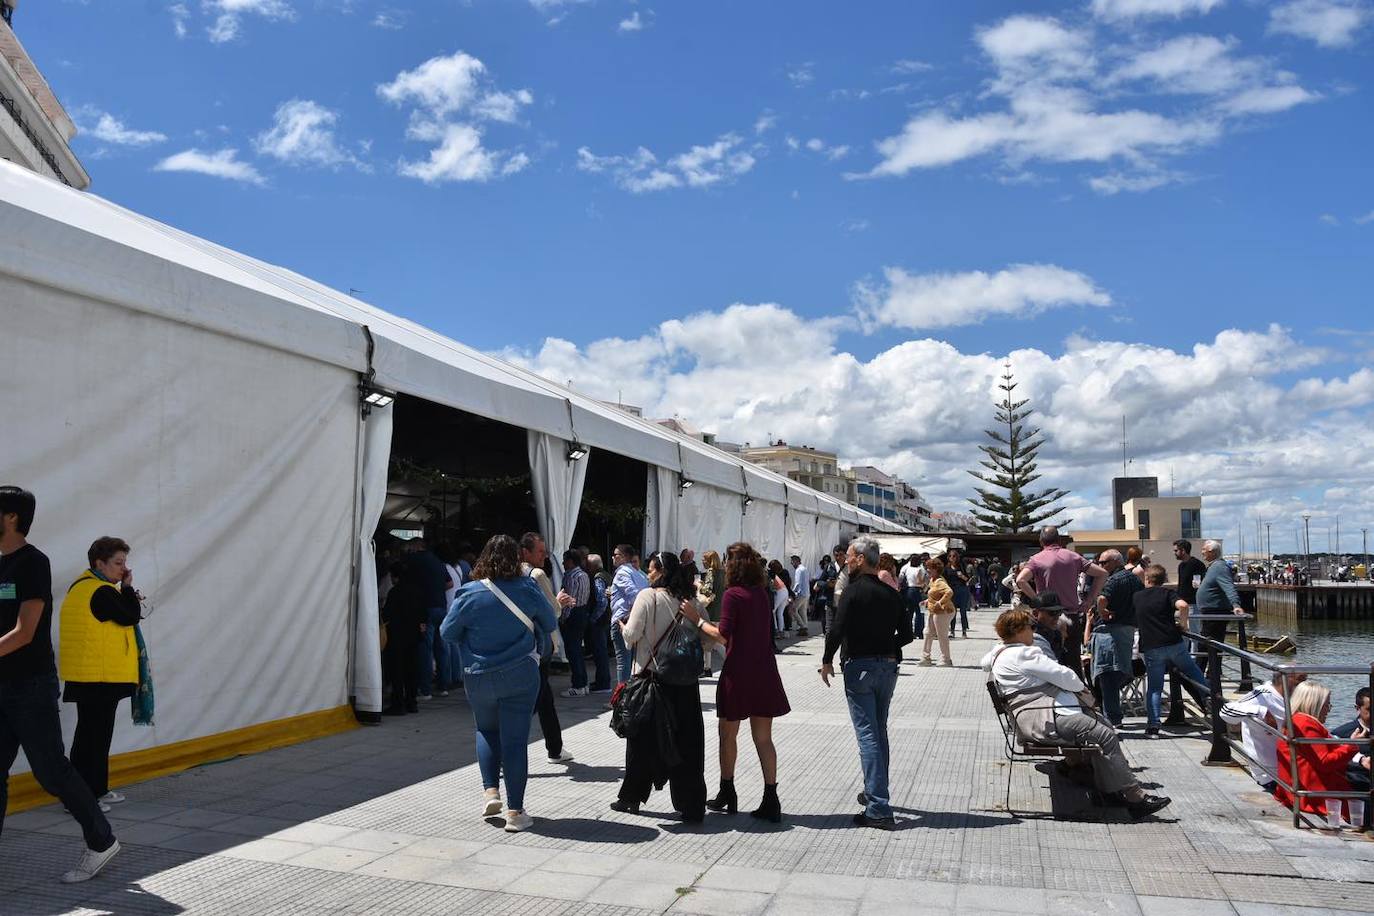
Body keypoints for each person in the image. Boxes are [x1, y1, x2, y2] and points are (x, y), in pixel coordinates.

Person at [0, 486, 121, 882]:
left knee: (51, 772)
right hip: (2, 685)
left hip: (30, 686)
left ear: (12, 517)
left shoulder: (33, 563)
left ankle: (102, 841)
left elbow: (24, 631)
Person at [982, 608, 1171, 820]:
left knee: (1104, 727)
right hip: (1045, 719)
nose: (1033, 632)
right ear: (1018, 630)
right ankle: (1135, 797)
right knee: (1105, 735)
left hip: (1030, 719)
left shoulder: (998, 653)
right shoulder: (1023, 654)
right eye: (1030, 627)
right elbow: (1069, 678)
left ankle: (1111, 792)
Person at [441, 534, 558, 832]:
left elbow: (447, 633)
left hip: (479, 674)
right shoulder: (528, 588)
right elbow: (550, 623)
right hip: (520, 674)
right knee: (515, 742)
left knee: (486, 729)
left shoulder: (468, 592)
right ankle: (515, 813)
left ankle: (490, 792)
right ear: (517, 557)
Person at [683, 542, 790, 822]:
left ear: (734, 565)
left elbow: (724, 635)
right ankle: (771, 797)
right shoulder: (761, 594)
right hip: (765, 670)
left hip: (739, 673)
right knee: (764, 738)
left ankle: (727, 791)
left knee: (727, 734)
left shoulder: (733, 595)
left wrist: (697, 620)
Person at [820, 535, 912, 829]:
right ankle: (876, 792)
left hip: (859, 666)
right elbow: (908, 634)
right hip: (887, 666)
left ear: (861, 558)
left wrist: (826, 660)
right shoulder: (891, 593)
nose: (846, 561)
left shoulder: (852, 592)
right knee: (879, 731)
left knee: (868, 735)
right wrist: (889, 645)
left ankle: (878, 807)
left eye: (849, 556)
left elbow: (837, 629)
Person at [612, 551, 708, 822]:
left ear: (662, 572)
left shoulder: (648, 596)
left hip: (652, 681)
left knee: (641, 742)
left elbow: (631, 636)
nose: (648, 574)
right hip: (686, 683)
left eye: (651, 570)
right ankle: (691, 805)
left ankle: (631, 797)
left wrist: (621, 626)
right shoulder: (691, 601)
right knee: (688, 743)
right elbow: (708, 638)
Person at [57, 537, 142, 807]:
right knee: (91, 738)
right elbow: (130, 615)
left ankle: (96, 789)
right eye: (118, 563)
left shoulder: (83, 587)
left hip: (92, 674)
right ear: (99, 563)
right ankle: (81, 799)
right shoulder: (101, 591)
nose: (123, 569)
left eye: (125, 563)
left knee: (94, 734)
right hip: (98, 676)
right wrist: (127, 589)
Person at [1273, 682, 1370, 827]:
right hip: (1316, 795)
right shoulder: (1306, 724)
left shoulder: (1297, 721)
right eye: (1327, 705)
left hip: (1305, 787)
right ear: (1315, 704)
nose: (1328, 710)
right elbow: (1324, 762)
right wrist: (1352, 745)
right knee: (1367, 806)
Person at [1017, 526, 1109, 680]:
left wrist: (1039, 602)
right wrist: (1089, 600)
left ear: (1041, 541)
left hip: (1048, 618)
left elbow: (1021, 580)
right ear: (1059, 540)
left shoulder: (1036, 559)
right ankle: (1079, 698)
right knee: (1073, 662)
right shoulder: (1073, 557)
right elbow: (1102, 573)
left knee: (1049, 662)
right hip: (1072, 616)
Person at [1132, 564, 1210, 736]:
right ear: (1163, 579)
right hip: (1173, 642)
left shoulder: (1137, 597)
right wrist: (1183, 626)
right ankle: (1208, 697)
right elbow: (1183, 606)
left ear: (1147, 579)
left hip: (1152, 646)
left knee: (1155, 687)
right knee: (1192, 670)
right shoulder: (1168, 594)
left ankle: (1153, 725)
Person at [518, 533, 572, 763]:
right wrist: (560, 601)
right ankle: (505, 747)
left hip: (522, 642)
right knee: (535, 698)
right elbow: (552, 611)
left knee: (544, 698)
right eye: (540, 551)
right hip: (541, 644)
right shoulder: (537, 574)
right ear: (526, 552)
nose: (545, 555)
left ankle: (555, 748)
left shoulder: (513, 572)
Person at [1221, 669, 1308, 793]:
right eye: (1300, 680)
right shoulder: (1264, 694)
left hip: (1293, 768)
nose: (1304, 684)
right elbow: (1226, 711)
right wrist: (1263, 712)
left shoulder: (1293, 698)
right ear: (1285, 679)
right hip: (1271, 775)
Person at [1085, 549, 1141, 727]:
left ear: (1116, 562)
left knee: (1106, 674)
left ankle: (1112, 719)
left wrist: (1103, 612)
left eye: (1104, 563)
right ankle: (1111, 713)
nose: (1101, 566)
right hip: (1128, 631)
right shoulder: (1135, 579)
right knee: (1118, 672)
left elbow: (1102, 599)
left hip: (1109, 632)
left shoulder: (1114, 579)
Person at [405, 538, 453, 700]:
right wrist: (436, 589)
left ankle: (425, 690)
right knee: (441, 648)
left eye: (410, 547)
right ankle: (443, 686)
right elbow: (450, 583)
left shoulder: (415, 561)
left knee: (425, 649)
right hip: (441, 607)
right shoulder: (438, 562)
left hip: (426, 609)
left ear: (416, 546)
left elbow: (406, 581)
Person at [1195, 539, 1246, 683]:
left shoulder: (1219, 567)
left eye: (1204, 549)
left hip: (1215, 613)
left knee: (1207, 645)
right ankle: (1206, 675)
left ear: (1211, 551)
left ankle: (1205, 677)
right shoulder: (1213, 567)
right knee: (1206, 645)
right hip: (1209, 612)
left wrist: (1236, 604)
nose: (1202, 552)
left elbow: (1228, 586)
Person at [381, 560, 425, 715]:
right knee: (412, 670)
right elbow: (423, 614)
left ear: (395, 576)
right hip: (414, 636)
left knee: (397, 671)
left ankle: (398, 704)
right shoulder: (417, 590)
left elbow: (386, 614)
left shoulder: (395, 592)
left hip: (397, 637)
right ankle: (412, 703)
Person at [608, 544, 649, 688]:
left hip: (623, 620)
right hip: (638, 621)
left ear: (624, 557)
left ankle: (621, 699)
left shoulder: (622, 572)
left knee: (623, 661)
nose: (613, 557)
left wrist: (632, 611)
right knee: (632, 661)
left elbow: (634, 595)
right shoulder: (640, 574)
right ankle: (631, 695)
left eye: (616, 555)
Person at [1332, 687, 1372, 830]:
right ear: (1357, 708)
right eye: (1369, 709)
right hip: (1359, 788)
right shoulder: (1341, 733)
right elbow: (1333, 761)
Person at [557, 549, 592, 698]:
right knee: (577, 650)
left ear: (571, 561)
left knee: (573, 651)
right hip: (582, 612)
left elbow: (568, 600)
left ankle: (577, 685)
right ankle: (583, 684)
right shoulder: (584, 574)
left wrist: (562, 618)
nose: (563, 564)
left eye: (565, 560)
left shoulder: (571, 576)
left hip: (573, 614)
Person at [583, 554, 613, 693]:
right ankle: (602, 681)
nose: (586, 568)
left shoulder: (598, 578)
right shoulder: (606, 575)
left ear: (593, 566)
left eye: (588, 566)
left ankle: (603, 683)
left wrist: (592, 619)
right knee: (601, 651)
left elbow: (601, 601)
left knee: (599, 652)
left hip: (600, 620)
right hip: (606, 618)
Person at [920, 556, 955, 667]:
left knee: (941, 635)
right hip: (933, 611)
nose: (927, 570)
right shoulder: (932, 580)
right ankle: (926, 657)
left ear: (936, 569)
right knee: (927, 633)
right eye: (927, 568)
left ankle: (946, 659)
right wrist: (927, 601)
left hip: (943, 612)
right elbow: (934, 594)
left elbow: (949, 592)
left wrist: (940, 602)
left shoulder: (940, 581)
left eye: (930, 568)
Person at [698, 550, 726, 676]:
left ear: (709, 560)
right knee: (709, 641)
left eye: (704, 559)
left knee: (713, 641)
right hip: (719, 608)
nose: (702, 561)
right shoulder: (722, 572)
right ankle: (707, 668)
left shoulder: (711, 572)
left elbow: (708, 590)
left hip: (710, 609)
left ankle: (728, 661)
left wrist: (699, 585)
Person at [945, 548, 971, 638]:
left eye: (954, 556)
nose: (953, 558)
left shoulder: (961, 566)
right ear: (948, 557)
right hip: (952, 591)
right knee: (953, 612)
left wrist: (962, 576)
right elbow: (945, 580)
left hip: (962, 590)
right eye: (951, 556)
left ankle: (964, 631)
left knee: (963, 611)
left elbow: (967, 579)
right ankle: (952, 631)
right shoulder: (947, 568)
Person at [898, 554, 926, 639]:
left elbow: (900, 578)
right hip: (917, 591)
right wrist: (924, 585)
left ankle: (909, 631)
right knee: (920, 612)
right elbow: (919, 582)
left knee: (910, 612)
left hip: (908, 591)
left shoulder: (906, 568)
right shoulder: (920, 569)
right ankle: (919, 632)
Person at [767, 560, 792, 635]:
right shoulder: (780, 573)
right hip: (785, 591)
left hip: (779, 592)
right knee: (780, 612)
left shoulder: (770, 573)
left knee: (772, 611)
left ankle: (775, 630)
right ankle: (781, 631)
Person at [788, 554, 810, 637]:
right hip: (806, 593)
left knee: (793, 610)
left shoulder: (798, 570)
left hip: (801, 593)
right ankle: (805, 627)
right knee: (802, 611)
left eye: (792, 562)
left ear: (796, 561)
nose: (792, 564)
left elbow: (797, 584)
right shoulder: (805, 568)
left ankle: (803, 626)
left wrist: (792, 593)